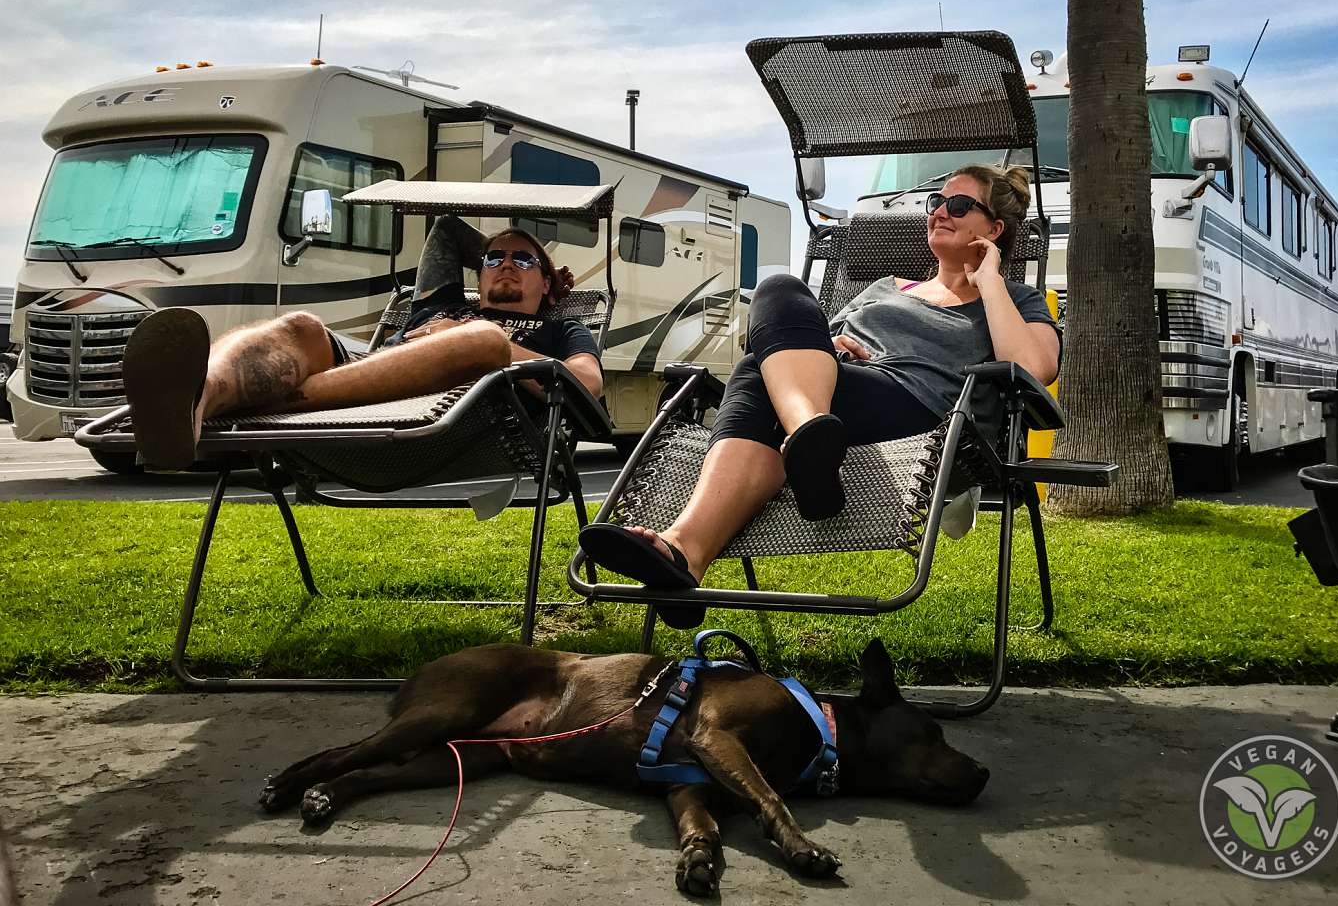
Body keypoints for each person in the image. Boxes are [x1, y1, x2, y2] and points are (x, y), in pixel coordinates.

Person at [578, 164, 1060, 627]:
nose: (938, 211)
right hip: (838, 395)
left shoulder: (1015, 300)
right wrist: (830, 345)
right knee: (779, 290)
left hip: (928, 413)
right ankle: (692, 547)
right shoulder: (884, 287)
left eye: (958, 204)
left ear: (993, 229)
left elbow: (1035, 369)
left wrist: (991, 281)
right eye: (936, 201)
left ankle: (698, 533)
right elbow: (791, 341)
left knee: (754, 373)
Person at [122, 225, 602, 471]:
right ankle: (195, 399)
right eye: (494, 257)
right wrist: (458, 316)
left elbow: (587, 384)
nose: (506, 264)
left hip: (455, 432)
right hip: (358, 402)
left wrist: (474, 345)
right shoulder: (445, 303)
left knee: (481, 339)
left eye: (523, 259)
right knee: (301, 326)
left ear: (548, 281)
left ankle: (261, 402)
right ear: (478, 271)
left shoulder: (560, 332)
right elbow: (447, 232)